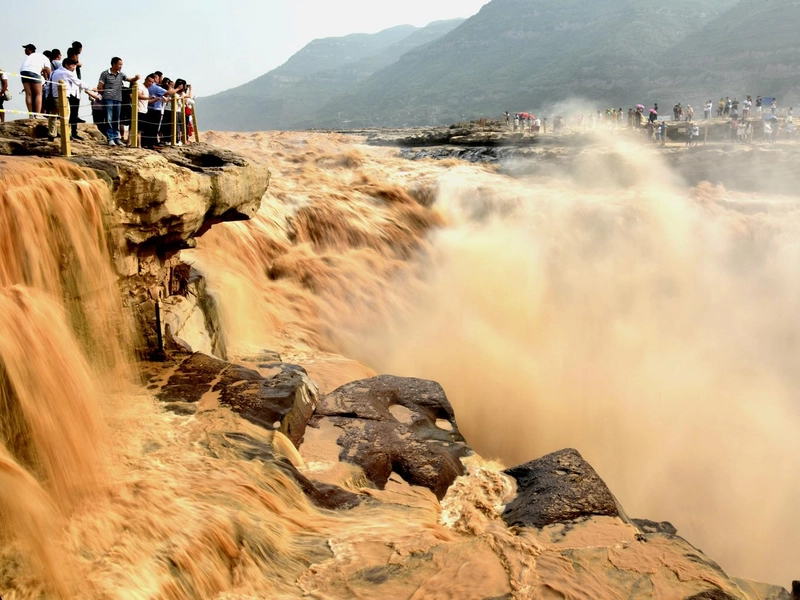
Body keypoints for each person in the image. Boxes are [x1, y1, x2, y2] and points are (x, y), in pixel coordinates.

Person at [47, 57, 99, 141]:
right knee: (66, 116)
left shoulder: (53, 72)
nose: (74, 67)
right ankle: (67, 135)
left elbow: (47, 85)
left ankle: (51, 134)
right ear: (66, 65)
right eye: (73, 65)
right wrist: (91, 88)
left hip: (52, 96)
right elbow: (79, 82)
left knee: (53, 115)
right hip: (63, 97)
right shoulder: (67, 73)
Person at [97, 56, 139, 146]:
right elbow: (99, 87)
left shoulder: (121, 74)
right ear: (113, 64)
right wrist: (105, 92)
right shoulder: (105, 74)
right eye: (119, 64)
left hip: (118, 99)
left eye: (121, 64)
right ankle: (110, 138)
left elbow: (129, 79)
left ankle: (116, 138)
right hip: (108, 98)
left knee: (116, 119)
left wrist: (135, 78)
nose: (121, 66)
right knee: (109, 118)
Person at [20, 44, 52, 117]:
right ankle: (37, 115)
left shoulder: (32, 56)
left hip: (23, 71)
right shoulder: (45, 59)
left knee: (28, 94)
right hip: (34, 72)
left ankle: (31, 114)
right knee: (38, 94)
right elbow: (50, 73)